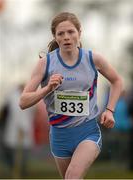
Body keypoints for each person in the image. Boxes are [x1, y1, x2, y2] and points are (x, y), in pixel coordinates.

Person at [19, 12, 123, 179]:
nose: (66, 37)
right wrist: (48, 88)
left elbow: (117, 81)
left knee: (72, 177)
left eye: (70, 32)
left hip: (88, 132)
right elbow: (23, 101)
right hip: (59, 135)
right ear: (55, 36)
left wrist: (109, 110)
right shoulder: (45, 63)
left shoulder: (92, 59)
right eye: (61, 33)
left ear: (79, 33)